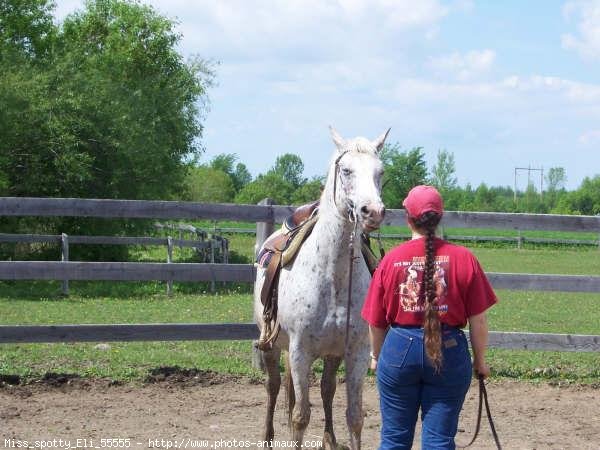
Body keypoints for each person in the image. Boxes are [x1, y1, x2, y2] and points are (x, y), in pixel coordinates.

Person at [361, 185, 498, 450]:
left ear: (407, 217)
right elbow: (478, 321)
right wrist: (480, 362)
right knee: (439, 441)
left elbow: (376, 322)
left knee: (393, 439)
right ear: (440, 216)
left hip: (399, 351)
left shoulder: (390, 261)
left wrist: (376, 357)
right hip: (449, 352)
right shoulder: (465, 259)